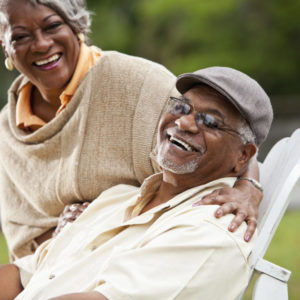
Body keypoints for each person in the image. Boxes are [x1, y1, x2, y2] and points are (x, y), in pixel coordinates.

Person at [0, 0, 262, 260]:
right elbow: (23, 235)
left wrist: (248, 189)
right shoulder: (7, 130)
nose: (41, 44)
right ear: (5, 44)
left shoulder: (135, 81)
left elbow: (228, 143)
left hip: (140, 257)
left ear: (75, 25)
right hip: (48, 271)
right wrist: (64, 237)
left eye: (52, 26)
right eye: (20, 36)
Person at [0, 66, 273, 300]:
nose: (185, 122)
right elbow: (25, 275)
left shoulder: (211, 233)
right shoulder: (116, 199)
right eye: (180, 107)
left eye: (211, 122)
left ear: (243, 156)